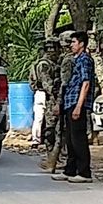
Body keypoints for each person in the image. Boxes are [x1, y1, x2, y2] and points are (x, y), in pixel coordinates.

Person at [53, 31, 95, 183]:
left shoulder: (85, 60)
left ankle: (84, 172)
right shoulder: (75, 60)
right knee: (70, 138)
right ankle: (70, 169)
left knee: (79, 139)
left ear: (82, 44)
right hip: (69, 101)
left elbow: (86, 83)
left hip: (78, 103)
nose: (71, 45)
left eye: (74, 42)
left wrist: (79, 106)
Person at [42, 32, 74, 172]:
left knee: (63, 131)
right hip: (53, 101)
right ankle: (52, 157)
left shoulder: (65, 60)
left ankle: (61, 159)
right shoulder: (44, 64)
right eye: (48, 48)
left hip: (62, 100)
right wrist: (56, 97)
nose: (51, 51)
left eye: (54, 47)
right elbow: (47, 84)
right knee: (50, 131)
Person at [28, 39, 59, 148]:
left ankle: (39, 139)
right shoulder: (44, 64)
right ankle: (37, 140)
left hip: (42, 93)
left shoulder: (45, 63)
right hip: (43, 93)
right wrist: (53, 93)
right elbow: (46, 82)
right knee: (41, 117)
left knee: (41, 118)